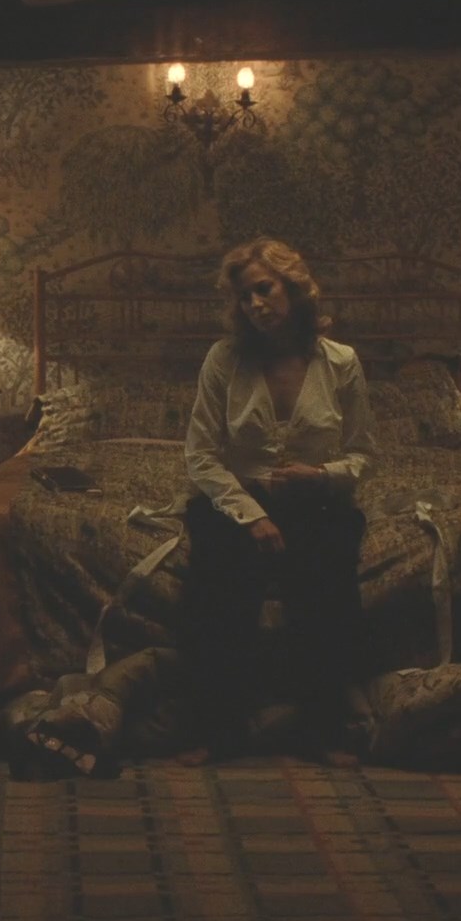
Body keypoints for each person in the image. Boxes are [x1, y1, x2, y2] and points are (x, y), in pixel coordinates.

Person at [174, 237, 380, 766]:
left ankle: (324, 728)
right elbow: (201, 455)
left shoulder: (341, 362)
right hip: (237, 499)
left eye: (264, 289)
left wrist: (324, 475)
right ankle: (216, 727)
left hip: (315, 500)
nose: (255, 304)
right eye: (245, 297)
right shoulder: (225, 360)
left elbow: (363, 453)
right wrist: (252, 516)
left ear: (293, 286)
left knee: (327, 581)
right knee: (217, 580)